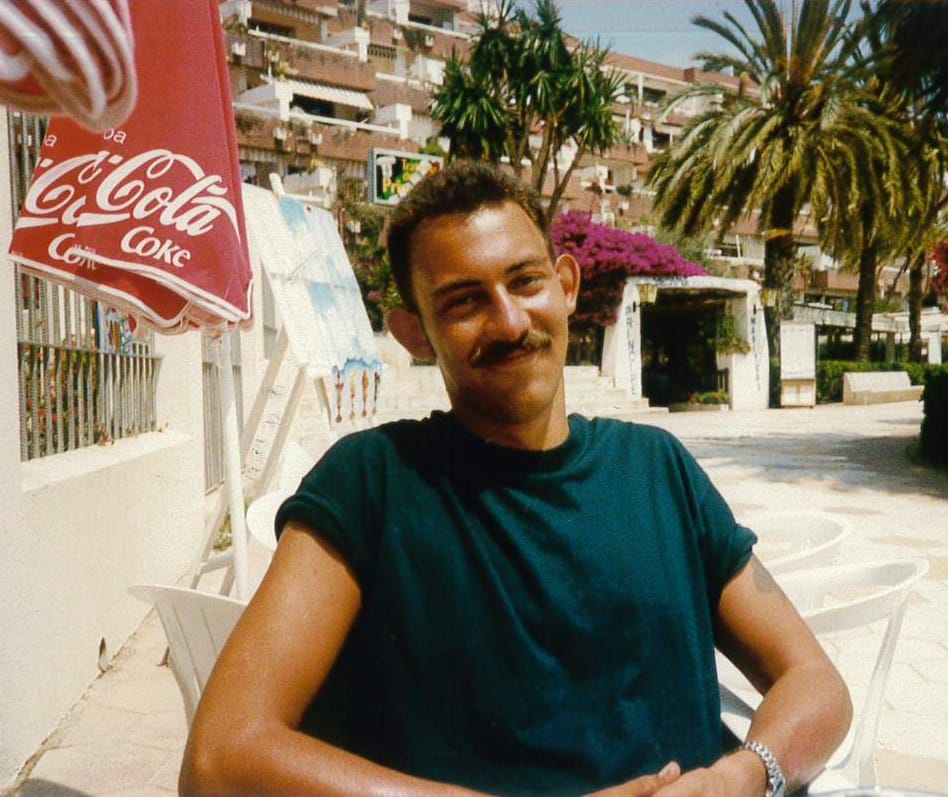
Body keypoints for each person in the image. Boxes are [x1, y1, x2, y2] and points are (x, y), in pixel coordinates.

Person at [180, 160, 851, 797]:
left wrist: (743, 774)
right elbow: (220, 756)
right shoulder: (372, 484)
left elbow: (816, 681)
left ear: (566, 285)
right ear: (414, 333)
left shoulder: (657, 467)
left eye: (524, 281)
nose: (508, 321)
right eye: (464, 301)